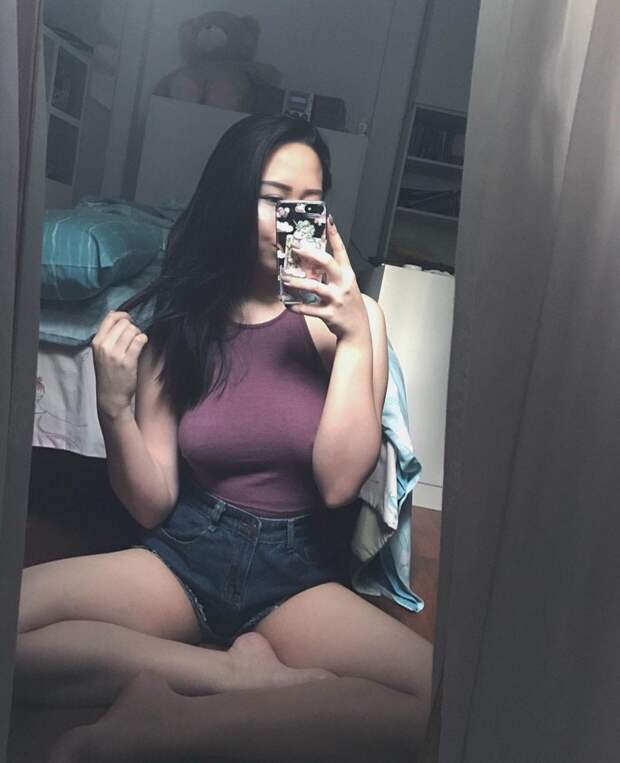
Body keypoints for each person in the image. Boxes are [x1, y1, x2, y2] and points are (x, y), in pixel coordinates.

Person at [16, 114, 432, 762]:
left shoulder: (357, 321)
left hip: (296, 575)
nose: (292, 220)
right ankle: (227, 676)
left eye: (309, 203)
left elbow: (338, 483)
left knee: (437, 698)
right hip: (187, 553)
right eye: (273, 199)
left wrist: (353, 336)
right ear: (232, 200)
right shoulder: (183, 319)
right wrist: (113, 408)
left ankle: (170, 726)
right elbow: (152, 503)